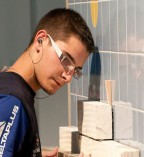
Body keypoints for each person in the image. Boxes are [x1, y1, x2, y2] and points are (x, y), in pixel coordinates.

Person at [0, 8, 94, 157]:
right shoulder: (13, 102)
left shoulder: (8, 83)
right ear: (40, 41)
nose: (68, 77)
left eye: (75, 70)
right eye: (65, 60)